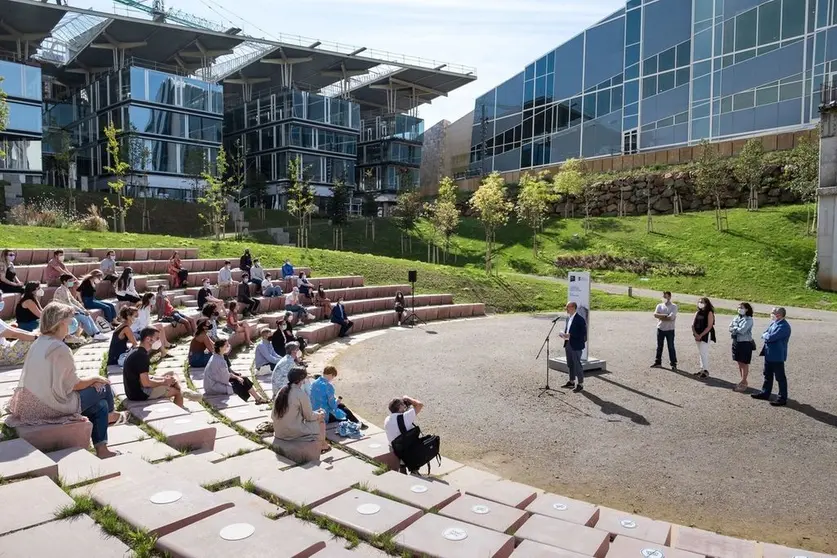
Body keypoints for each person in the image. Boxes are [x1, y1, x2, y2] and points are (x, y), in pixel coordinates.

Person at [7, 302, 126, 458]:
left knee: (100, 405)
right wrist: (95, 378)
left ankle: (102, 448)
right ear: (60, 323)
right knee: (104, 386)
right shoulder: (60, 348)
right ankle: (111, 416)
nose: (73, 325)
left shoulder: (38, 342)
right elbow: (75, 384)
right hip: (50, 405)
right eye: (70, 322)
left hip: (30, 403)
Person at [271, 366, 329, 463]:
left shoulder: (282, 390)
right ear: (302, 379)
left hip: (278, 430)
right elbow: (309, 417)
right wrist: (320, 414)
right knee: (321, 420)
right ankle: (322, 445)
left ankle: (322, 444)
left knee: (315, 417)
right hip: (291, 432)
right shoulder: (300, 394)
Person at [123, 327, 185, 407]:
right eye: (157, 338)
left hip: (132, 391)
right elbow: (146, 383)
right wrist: (164, 382)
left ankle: (181, 389)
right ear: (148, 339)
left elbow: (143, 377)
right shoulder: (142, 356)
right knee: (177, 391)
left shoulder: (136, 350)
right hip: (140, 394)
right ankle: (180, 407)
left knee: (172, 373)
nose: (159, 341)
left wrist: (163, 379)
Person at [204, 339, 267, 403]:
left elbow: (224, 375)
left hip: (216, 382)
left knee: (244, 379)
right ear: (220, 348)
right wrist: (236, 377)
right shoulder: (219, 361)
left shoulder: (217, 356)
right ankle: (255, 399)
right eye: (227, 345)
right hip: (213, 387)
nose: (229, 346)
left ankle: (258, 399)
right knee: (240, 384)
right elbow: (226, 377)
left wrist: (236, 376)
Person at [752, 307, 792, 406]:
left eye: (773, 313)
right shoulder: (775, 323)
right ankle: (765, 393)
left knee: (780, 377)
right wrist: (766, 335)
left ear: (780, 314)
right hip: (769, 354)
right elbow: (765, 333)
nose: (771, 314)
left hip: (777, 356)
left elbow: (770, 337)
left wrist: (766, 335)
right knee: (767, 374)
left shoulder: (784, 326)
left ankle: (782, 398)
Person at [54, 274, 108, 341]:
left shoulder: (66, 290)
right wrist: (81, 311)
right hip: (62, 313)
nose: (72, 282)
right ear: (65, 281)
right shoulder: (61, 290)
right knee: (83, 317)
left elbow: (74, 301)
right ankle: (93, 335)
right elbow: (68, 303)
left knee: (87, 315)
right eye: (70, 281)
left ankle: (97, 333)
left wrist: (84, 309)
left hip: (69, 310)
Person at [559, 302, 587, 393]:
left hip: (576, 345)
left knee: (577, 364)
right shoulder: (568, 318)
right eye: (566, 307)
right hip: (568, 344)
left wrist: (571, 335)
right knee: (570, 364)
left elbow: (583, 334)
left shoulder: (580, 319)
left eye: (567, 307)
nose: (566, 309)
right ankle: (571, 381)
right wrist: (564, 334)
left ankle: (580, 384)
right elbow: (568, 329)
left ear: (573, 308)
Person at [0, 301, 37, 366]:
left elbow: (13, 330)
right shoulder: (29, 301)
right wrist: (36, 337)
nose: (2, 303)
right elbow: (14, 334)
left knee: (32, 336)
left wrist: (33, 334)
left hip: (5, 350)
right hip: (5, 355)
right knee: (31, 340)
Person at [729, 302, 755, 392]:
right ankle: (743, 380)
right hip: (736, 342)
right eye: (739, 307)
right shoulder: (736, 317)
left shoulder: (749, 319)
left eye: (742, 307)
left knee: (744, 363)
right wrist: (736, 328)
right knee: (739, 362)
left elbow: (743, 330)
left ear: (747, 309)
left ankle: (744, 382)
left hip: (745, 343)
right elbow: (730, 327)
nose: (740, 309)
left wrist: (734, 328)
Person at [650, 291, 678, 371]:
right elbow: (655, 315)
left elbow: (671, 317)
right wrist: (666, 315)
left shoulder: (674, 306)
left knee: (671, 346)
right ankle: (658, 361)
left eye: (665, 297)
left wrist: (661, 316)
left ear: (669, 297)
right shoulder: (659, 305)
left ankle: (673, 363)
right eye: (663, 297)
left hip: (670, 329)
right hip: (660, 328)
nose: (664, 298)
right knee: (659, 346)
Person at [692, 297, 716, 378]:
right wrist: (696, 334)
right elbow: (692, 325)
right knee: (701, 352)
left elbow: (709, 326)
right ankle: (702, 369)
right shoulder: (697, 312)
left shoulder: (709, 313)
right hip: (697, 334)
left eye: (702, 302)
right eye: (699, 302)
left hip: (705, 335)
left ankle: (705, 370)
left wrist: (701, 335)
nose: (700, 303)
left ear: (706, 303)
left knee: (704, 352)